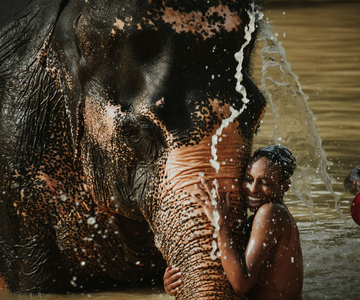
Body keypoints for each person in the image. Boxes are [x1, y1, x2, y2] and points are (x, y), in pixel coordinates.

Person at [163, 145, 303, 299]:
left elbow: (241, 284)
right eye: (248, 179)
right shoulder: (264, 217)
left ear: (285, 186)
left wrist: (220, 221)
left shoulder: (270, 213)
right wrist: (178, 283)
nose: (252, 188)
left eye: (264, 182)